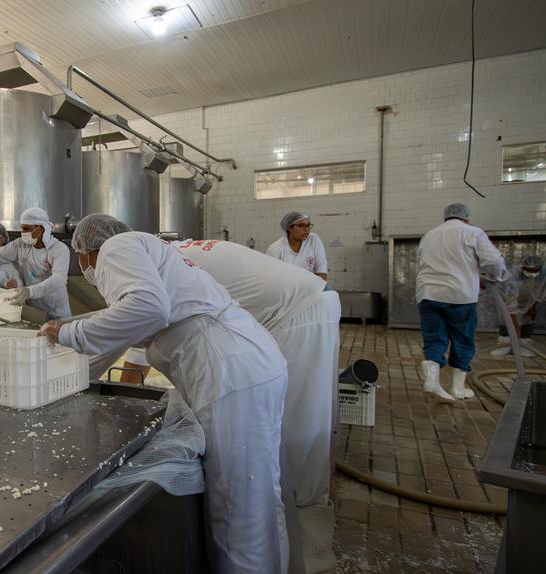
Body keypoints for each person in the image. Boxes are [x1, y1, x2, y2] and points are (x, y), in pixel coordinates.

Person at [39, 214, 289, 573]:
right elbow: (119, 333)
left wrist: (66, 332)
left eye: (80, 257)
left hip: (229, 373)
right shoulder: (150, 253)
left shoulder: (115, 247)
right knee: (261, 496)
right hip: (250, 361)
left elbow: (148, 309)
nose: (84, 266)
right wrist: (66, 379)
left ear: (87, 249)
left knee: (238, 509)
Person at [96, 239, 341, 573]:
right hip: (284, 318)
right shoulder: (171, 256)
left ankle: (314, 552)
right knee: (271, 460)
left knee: (296, 443)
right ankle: (288, 554)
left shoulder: (144, 267)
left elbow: (140, 328)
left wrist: (119, 391)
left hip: (297, 314)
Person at [416, 203, 507, 401]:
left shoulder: (429, 235)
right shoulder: (473, 232)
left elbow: (422, 262)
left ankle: (432, 378)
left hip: (428, 294)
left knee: (434, 337)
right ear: (466, 218)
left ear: (445, 217)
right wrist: (494, 276)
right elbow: (494, 261)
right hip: (460, 295)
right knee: (463, 339)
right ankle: (457, 388)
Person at [492, 254, 546, 358]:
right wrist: (516, 331)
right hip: (507, 296)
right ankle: (505, 344)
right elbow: (511, 304)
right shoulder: (515, 274)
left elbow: (542, 292)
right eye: (528, 270)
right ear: (523, 267)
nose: (531, 273)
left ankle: (525, 345)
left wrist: (533, 307)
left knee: (527, 318)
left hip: (529, 299)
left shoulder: (545, 273)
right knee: (506, 318)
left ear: (540, 268)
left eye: (535, 271)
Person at [267, 212, 328, 280]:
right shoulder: (275, 249)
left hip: (311, 283)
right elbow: (273, 278)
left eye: (308, 225)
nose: (307, 229)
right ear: (289, 228)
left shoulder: (313, 239)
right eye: (301, 225)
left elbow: (321, 267)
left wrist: (319, 285)